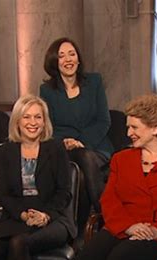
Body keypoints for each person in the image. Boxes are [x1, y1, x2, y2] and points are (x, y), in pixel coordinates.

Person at [74, 94, 157, 260]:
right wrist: (128, 226)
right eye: (128, 127)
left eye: (134, 128)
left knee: (120, 258)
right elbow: (109, 200)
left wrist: (156, 230)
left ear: (155, 128)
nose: (128, 133)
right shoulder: (120, 159)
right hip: (122, 227)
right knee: (86, 259)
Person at [0, 95, 77, 260]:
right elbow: (4, 195)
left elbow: (64, 192)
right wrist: (23, 215)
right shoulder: (4, 152)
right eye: (27, 117)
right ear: (17, 121)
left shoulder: (56, 149)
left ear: (44, 122)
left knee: (19, 242)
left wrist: (46, 215)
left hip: (53, 218)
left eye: (38, 117)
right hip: (16, 217)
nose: (33, 122)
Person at [40, 37, 113, 235]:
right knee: (81, 159)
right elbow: (49, 126)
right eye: (62, 56)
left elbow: (103, 120)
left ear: (78, 59)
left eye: (72, 54)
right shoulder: (47, 90)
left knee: (83, 166)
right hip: (65, 148)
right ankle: (106, 219)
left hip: (96, 146)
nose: (68, 59)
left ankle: (80, 231)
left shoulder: (94, 81)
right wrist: (65, 142)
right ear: (55, 62)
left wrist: (83, 142)